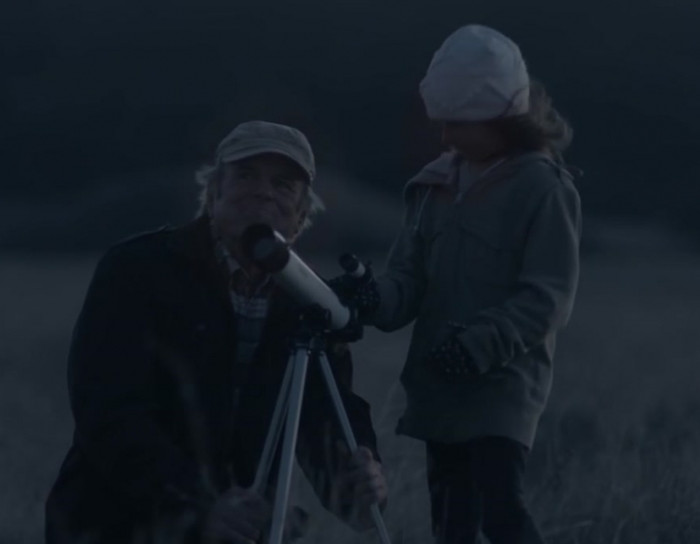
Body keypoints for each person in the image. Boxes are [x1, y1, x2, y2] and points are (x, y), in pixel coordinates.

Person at [45, 120, 388, 544]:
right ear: (213, 192)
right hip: (118, 523)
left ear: (302, 214)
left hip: (241, 528)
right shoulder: (136, 270)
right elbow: (109, 413)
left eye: (283, 184)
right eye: (246, 175)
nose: (263, 192)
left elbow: (325, 415)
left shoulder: (310, 300)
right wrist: (198, 505)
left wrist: (357, 480)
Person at [331, 25, 581, 544]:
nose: (444, 137)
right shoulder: (432, 186)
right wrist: (374, 298)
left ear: (503, 116)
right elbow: (407, 280)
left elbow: (547, 298)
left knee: (500, 515)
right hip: (438, 389)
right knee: (451, 523)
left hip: (501, 390)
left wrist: (478, 347)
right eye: (440, 122)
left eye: (457, 124)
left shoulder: (544, 189)